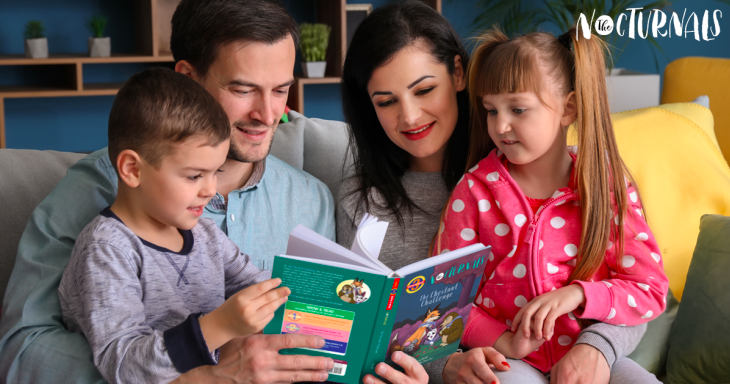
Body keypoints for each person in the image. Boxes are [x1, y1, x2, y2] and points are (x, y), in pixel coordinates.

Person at [0, 1, 335, 383]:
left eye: (281, 90)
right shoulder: (94, 195)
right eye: (243, 89)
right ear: (188, 78)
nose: (267, 113)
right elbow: (21, 353)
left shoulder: (311, 198)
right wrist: (206, 376)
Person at [338, 2, 652, 384]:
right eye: (386, 101)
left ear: (457, 73)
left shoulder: (590, 179)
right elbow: (359, 326)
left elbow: (642, 291)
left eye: (424, 90)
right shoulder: (467, 192)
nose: (409, 117)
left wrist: (596, 345)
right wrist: (447, 364)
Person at [433, 27, 669, 383]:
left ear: (568, 108)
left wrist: (578, 294)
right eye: (491, 110)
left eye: (518, 108)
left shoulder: (606, 184)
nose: (501, 125)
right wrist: (505, 342)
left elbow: (647, 289)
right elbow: (444, 300)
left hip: (591, 354)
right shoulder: (474, 192)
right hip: (511, 362)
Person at [58, 68, 289, 383]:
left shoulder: (204, 234)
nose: (209, 190)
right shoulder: (107, 249)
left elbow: (263, 288)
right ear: (132, 169)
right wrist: (219, 325)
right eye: (194, 175)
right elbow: (123, 364)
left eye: (215, 172)